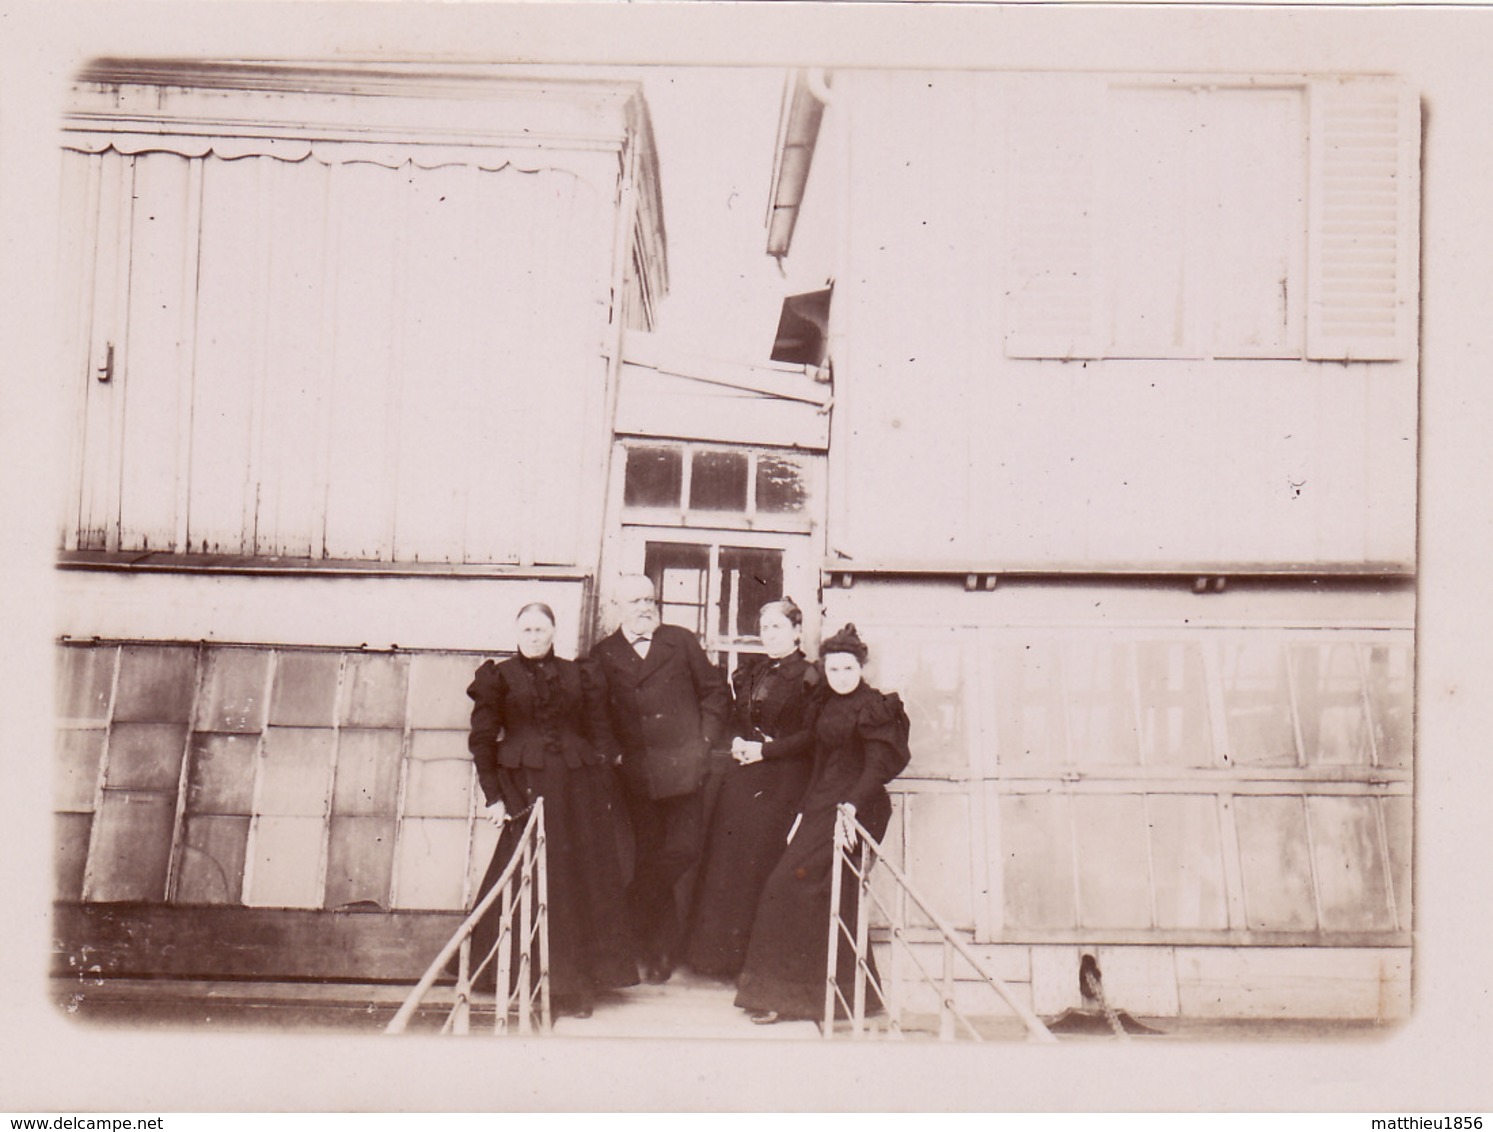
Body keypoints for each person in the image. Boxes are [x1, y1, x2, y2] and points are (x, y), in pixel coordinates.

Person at [464, 602, 636, 1018]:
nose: (534, 636)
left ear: (555, 631)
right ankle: (524, 977)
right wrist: (493, 798)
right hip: (526, 789)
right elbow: (483, 740)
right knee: (535, 877)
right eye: (526, 629)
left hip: (580, 791)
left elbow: (598, 731)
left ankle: (577, 983)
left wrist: (606, 782)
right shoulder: (499, 677)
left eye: (541, 629)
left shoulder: (581, 674)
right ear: (516, 632)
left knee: (579, 879)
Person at [733, 623, 912, 1025]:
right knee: (819, 892)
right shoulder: (826, 704)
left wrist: (850, 807)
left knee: (796, 887)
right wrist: (766, 754)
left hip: (857, 807)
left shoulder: (875, 706)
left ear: (860, 668)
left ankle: (792, 997)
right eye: (834, 670)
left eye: (848, 669)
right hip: (821, 805)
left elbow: (876, 768)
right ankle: (845, 996)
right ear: (826, 670)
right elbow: (811, 750)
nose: (841, 677)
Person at [589, 574, 730, 984]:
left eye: (650, 599)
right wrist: (612, 753)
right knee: (650, 856)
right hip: (637, 774)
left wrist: (703, 742)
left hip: (686, 769)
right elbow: (596, 714)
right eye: (635, 600)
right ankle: (659, 951)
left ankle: (627, 910)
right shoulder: (603, 654)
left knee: (683, 850)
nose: (645, 606)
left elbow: (714, 692)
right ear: (618, 606)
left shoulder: (680, 640)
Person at [683, 598, 818, 978]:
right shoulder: (753, 672)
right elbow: (738, 720)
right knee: (730, 863)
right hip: (743, 778)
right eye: (764, 629)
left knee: (761, 862)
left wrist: (767, 750)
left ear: (796, 631)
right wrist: (742, 743)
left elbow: (812, 736)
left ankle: (754, 964)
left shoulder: (811, 677)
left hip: (784, 781)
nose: (769, 635)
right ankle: (720, 959)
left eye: (777, 627)